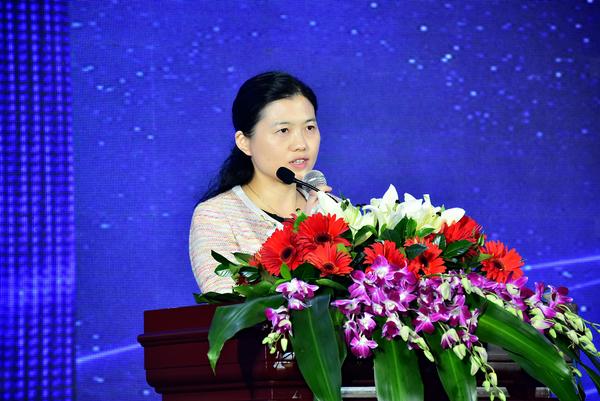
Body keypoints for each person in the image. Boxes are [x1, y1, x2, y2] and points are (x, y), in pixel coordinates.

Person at [189, 71, 331, 293]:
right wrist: (303, 232)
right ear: (244, 142)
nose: (301, 144)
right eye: (283, 130)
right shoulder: (216, 216)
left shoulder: (332, 208)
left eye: (309, 128)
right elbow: (231, 306)